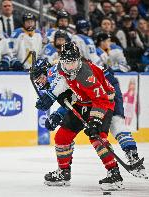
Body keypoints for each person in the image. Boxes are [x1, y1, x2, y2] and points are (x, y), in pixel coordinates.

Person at [34, 42, 125, 191]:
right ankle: (63, 173)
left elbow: (100, 99)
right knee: (62, 137)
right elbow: (64, 82)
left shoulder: (86, 74)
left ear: (79, 59)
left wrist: (95, 121)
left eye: (74, 62)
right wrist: (51, 96)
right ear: (62, 60)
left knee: (97, 137)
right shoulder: (61, 68)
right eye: (67, 63)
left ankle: (114, 173)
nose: (70, 66)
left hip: (103, 102)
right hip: (82, 102)